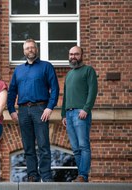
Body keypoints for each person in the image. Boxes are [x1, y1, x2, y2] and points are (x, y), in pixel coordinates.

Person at [7, 39, 59, 182]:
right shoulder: (18, 70)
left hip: (40, 109)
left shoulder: (46, 67)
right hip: (23, 111)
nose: (30, 50)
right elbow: (12, 91)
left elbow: (55, 88)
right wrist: (11, 109)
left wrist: (49, 107)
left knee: (43, 144)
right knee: (28, 146)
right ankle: (32, 175)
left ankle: (46, 176)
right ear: (24, 51)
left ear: (36, 49)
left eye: (32, 47)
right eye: (27, 48)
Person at [61, 46, 98, 183]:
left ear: (82, 55)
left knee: (83, 145)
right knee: (75, 148)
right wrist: (63, 114)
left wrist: (86, 109)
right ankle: (80, 176)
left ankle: (83, 175)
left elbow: (92, 92)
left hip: (81, 113)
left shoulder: (88, 71)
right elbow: (65, 96)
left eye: (76, 54)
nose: (73, 57)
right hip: (69, 114)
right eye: (71, 54)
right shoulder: (69, 74)